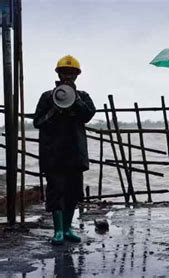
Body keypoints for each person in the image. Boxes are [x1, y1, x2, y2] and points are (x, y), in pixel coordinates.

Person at [33, 55, 96, 245]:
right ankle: (58, 230)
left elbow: (87, 115)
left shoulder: (83, 96)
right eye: (64, 72)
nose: (68, 76)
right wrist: (53, 111)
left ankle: (68, 228)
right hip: (53, 154)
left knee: (73, 192)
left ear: (77, 75)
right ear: (58, 74)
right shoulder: (47, 97)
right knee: (55, 192)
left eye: (71, 73)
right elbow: (37, 122)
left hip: (75, 154)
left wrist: (75, 100)